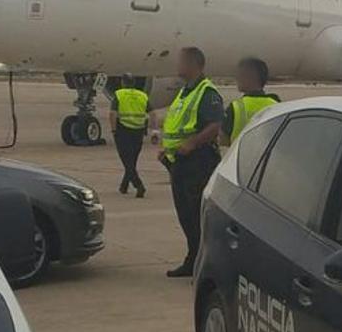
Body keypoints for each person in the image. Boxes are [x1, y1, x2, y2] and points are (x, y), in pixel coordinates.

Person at [161, 47, 224, 278]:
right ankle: (193, 259)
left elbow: (215, 125)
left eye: (181, 61)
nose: (177, 65)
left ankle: (204, 264)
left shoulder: (207, 92)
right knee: (186, 215)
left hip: (199, 161)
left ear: (193, 64)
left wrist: (192, 143)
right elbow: (178, 124)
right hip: (180, 162)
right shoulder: (185, 91)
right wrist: (167, 150)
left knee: (197, 215)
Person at [220, 57, 280, 146]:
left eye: (240, 75)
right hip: (268, 154)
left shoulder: (235, 107)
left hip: (241, 154)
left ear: (250, 77)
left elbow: (223, 140)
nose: (237, 78)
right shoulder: (276, 105)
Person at [109, 74, 151, 197]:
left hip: (123, 131)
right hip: (138, 131)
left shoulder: (119, 95)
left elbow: (112, 114)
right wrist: (154, 130)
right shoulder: (142, 95)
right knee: (131, 160)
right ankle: (124, 186)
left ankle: (139, 185)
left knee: (127, 161)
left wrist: (113, 130)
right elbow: (153, 113)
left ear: (123, 82)